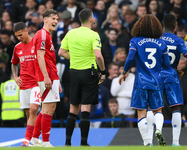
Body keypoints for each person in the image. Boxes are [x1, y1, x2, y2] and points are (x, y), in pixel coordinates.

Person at [118, 14, 170, 146]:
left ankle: (147, 142)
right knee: (157, 110)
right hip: (157, 80)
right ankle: (158, 130)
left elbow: (130, 58)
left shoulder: (135, 41)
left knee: (141, 111)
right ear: (157, 27)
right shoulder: (162, 43)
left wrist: (124, 72)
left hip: (141, 80)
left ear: (139, 26)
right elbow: (167, 63)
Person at [58, 8, 106, 146]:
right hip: (88, 73)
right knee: (85, 109)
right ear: (91, 20)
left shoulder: (71, 33)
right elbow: (98, 55)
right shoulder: (93, 35)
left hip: (73, 73)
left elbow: (61, 52)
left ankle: (67, 143)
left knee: (73, 109)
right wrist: (103, 71)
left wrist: (76, 57)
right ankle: (83, 143)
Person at [146, 14, 187, 146]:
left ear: (162, 25)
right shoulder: (179, 40)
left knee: (153, 107)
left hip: (155, 75)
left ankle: (149, 141)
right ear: (175, 26)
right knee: (176, 108)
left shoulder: (155, 39)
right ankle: (175, 142)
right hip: (171, 75)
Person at [31, 9, 61, 147]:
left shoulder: (47, 35)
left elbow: (49, 59)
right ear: (45, 19)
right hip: (46, 76)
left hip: (50, 75)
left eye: (56, 18)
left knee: (44, 109)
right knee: (49, 109)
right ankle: (46, 141)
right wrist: (46, 76)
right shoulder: (43, 34)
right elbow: (40, 56)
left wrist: (57, 80)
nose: (55, 21)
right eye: (53, 18)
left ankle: (35, 138)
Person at [11, 22, 41, 147]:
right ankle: (35, 140)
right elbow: (13, 63)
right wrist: (15, 76)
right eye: (17, 36)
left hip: (36, 83)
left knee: (34, 110)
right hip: (24, 85)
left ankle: (27, 140)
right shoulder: (17, 47)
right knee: (29, 114)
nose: (19, 38)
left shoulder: (36, 43)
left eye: (20, 35)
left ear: (27, 30)